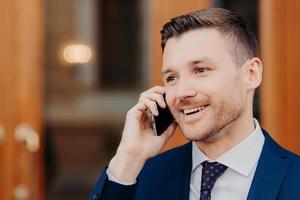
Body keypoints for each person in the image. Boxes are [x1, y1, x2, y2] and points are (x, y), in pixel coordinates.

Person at [88, 8, 300, 200]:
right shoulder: (138, 177)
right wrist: (128, 157)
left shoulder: (295, 179)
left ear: (251, 74)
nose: (181, 93)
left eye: (200, 70)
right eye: (171, 78)